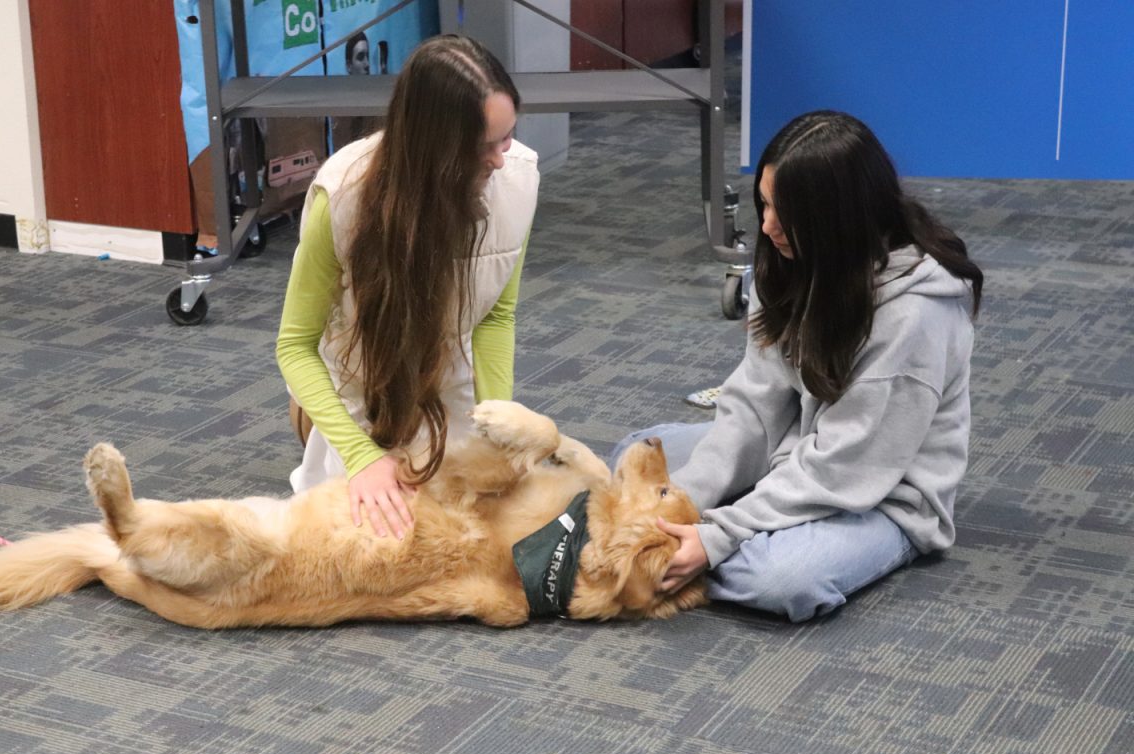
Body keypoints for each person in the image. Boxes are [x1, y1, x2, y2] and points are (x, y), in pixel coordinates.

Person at [611, 110, 983, 622]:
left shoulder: (915, 315)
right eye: (764, 204)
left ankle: (694, 553)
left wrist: (714, 535)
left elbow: (844, 466)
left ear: (838, 218)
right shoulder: (787, 261)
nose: (766, 227)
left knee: (781, 580)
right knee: (634, 455)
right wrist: (680, 501)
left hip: (881, 493)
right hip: (791, 453)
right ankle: (706, 538)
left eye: (786, 214)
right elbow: (752, 404)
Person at [277, 35, 539, 539]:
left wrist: (499, 429)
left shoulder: (520, 181)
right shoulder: (345, 196)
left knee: (484, 521)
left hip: (448, 374)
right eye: (484, 145)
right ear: (432, 145)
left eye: (506, 138)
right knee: (373, 537)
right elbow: (294, 346)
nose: (501, 159)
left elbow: (495, 319)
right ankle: (311, 427)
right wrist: (360, 457)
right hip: (357, 382)